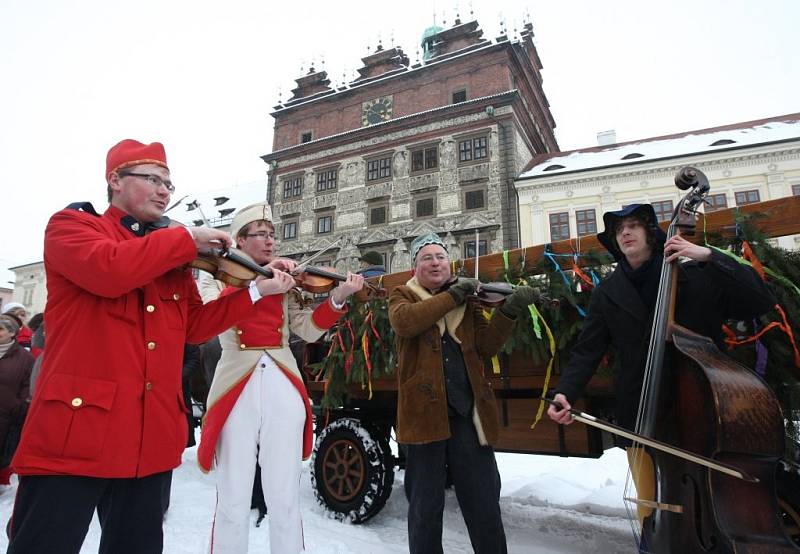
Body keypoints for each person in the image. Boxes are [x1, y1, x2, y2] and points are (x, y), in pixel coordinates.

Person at [8, 139, 299, 554]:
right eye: (152, 179)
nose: (165, 191)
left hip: (148, 440)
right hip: (75, 436)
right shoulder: (74, 227)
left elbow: (195, 327)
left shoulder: (172, 255)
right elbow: (109, 270)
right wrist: (185, 240)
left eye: (168, 183)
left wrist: (255, 290)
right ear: (115, 181)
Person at [546, 203, 775, 523]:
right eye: (618, 228)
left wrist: (709, 257)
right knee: (651, 510)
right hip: (642, 413)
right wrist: (565, 393)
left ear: (652, 235)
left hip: (699, 410)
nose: (625, 231)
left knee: (710, 507)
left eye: (633, 225)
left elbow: (760, 300)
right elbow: (587, 351)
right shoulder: (607, 293)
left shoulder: (694, 276)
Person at [197, 201, 364, 553]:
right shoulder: (215, 273)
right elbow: (211, 319)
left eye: (272, 235)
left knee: (285, 497)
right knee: (232, 498)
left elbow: (308, 329)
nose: (271, 241)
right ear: (239, 241)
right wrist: (259, 280)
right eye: (261, 234)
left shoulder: (285, 280)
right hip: (235, 381)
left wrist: (337, 298)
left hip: (282, 379)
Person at [388, 232, 538, 554]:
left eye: (440, 257)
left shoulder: (467, 303)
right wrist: (454, 295)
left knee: (484, 504)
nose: (435, 262)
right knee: (424, 510)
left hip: (468, 417)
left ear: (449, 263)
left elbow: (485, 347)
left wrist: (508, 311)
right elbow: (406, 323)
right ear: (415, 267)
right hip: (423, 421)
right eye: (426, 257)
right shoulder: (403, 296)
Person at [0, 315, 33, 486]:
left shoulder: (24, 358)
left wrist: (17, 407)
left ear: (12, 333)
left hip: (6, 417)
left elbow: (28, 386)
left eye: (1, 329)